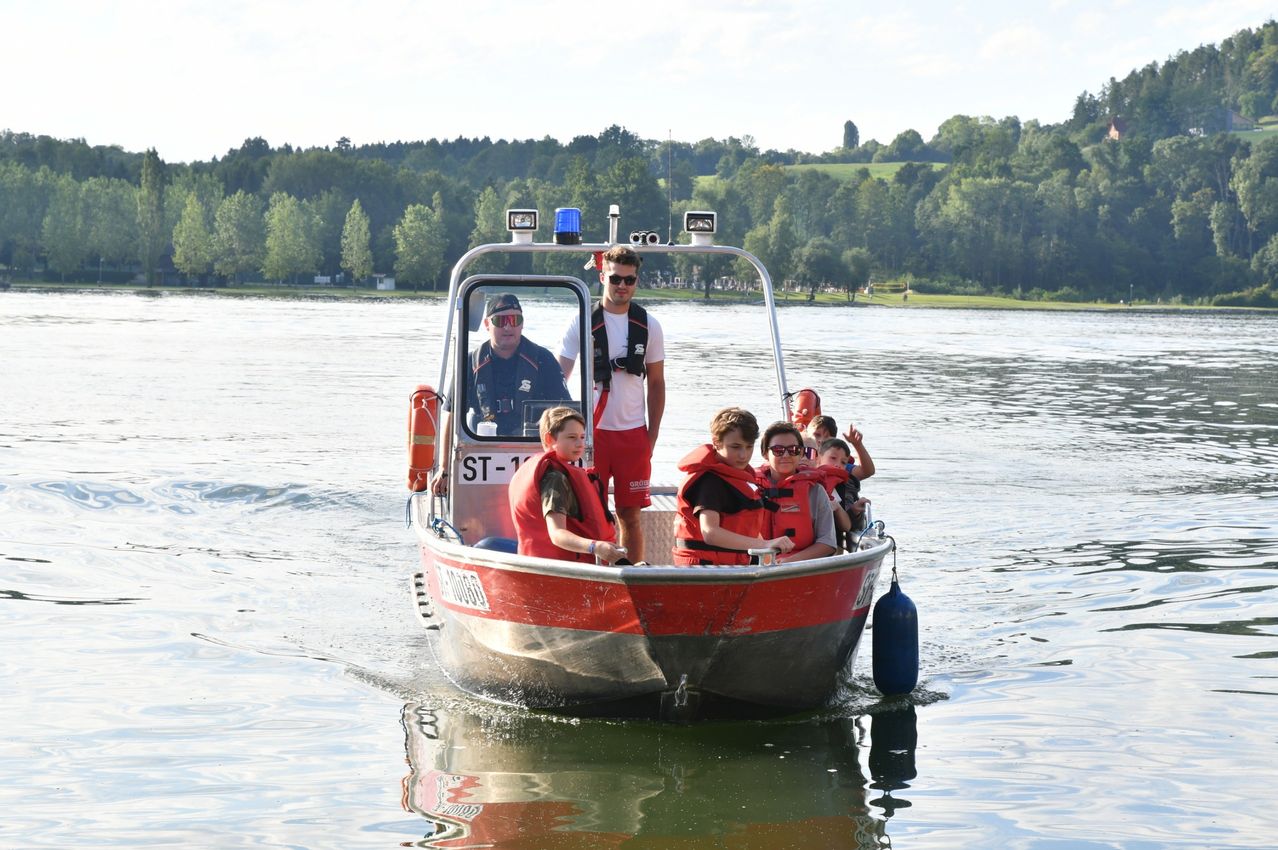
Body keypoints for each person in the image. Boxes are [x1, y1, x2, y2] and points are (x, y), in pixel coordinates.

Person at [557, 245, 665, 563]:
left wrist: (652, 436)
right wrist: (563, 433)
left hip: (633, 435)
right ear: (603, 275)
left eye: (629, 280)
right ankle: (597, 575)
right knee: (592, 512)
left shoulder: (649, 325)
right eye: (616, 278)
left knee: (630, 515)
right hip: (592, 435)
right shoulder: (581, 322)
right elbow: (559, 375)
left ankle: (633, 574)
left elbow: (657, 384)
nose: (622, 286)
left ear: (636, 281)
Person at [431, 292, 570, 494]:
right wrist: (444, 468)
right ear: (488, 324)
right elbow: (450, 415)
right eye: (501, 320)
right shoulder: (470, 363)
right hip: (481, 450)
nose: (508, 327)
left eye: (515, 320)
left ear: (522, 324)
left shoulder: (544, 360)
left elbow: (566, 414)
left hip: (533, 450)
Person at [672, 408, 795, 565]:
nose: (743, 455)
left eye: (749, 447)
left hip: (733, 566)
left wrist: (766, 553)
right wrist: (765, 545)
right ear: (716, 442)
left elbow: (743, 527)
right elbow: (710, 532)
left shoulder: (737, 477)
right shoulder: (709, 481)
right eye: (735, 447)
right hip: (705, 570)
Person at [508, 406, 625, 563]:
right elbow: (557, 534)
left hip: (539, 563)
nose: (580, 444)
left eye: (582, 437)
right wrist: (595, 547)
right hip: (558, 569)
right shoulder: (555, 479)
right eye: (572, 437)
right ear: (550, 439)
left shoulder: (535, 470)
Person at [755, 421, 837, 563]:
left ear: (801, 454)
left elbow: (828, 543)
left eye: (793, 449)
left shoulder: (816, 491)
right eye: (778, 450)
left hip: (800, 566)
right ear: (765, 454)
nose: (786, 455)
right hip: (754, 566)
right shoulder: (750, 488)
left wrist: (790, 562)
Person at [817, 437, 871, 541]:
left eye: (843, 462)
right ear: (818, 458)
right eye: (833, 458)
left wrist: (854, 511)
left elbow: (849, 526)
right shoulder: (808, 480)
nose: (837, 465)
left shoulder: (846, 485)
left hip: (833, 540)